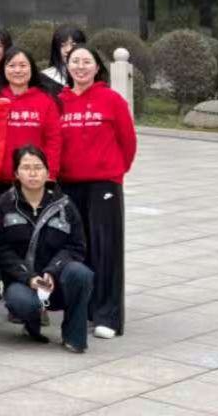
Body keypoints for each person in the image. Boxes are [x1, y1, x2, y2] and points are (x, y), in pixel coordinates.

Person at [57, 45, 136, 339]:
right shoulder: (59, 101)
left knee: (106, 249)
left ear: (97, 67)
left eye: (86, 62)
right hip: (68, 184)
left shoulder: (111, 100)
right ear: (67, 66)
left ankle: (108, 316)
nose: (80, 67)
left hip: (104, 184)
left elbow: (127, 142)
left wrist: (113, 172)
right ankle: (84, 308)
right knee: (78, 248)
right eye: (75, 61)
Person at [0, 145, 94, 353]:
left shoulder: (64, 205)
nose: (32, 173)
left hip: (56, 281)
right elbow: (0, 249)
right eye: (26, 168)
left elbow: (76, 246)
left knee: (81, 274)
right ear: (16, 173)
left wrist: (52, 271)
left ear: (48, 172)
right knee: (22, 301)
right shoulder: (5, 204)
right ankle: (31, 321)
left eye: (38, 167)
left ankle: (74, 336)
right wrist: (29, 277)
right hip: (22, 282)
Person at [1, 47, 63, 178]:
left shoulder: (46, 100)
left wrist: (50, 173)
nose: (17, 70)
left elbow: (54, 140)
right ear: (3, 69)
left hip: (36, 178)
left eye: (23, 65)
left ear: (32, 69)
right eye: (11, 66)